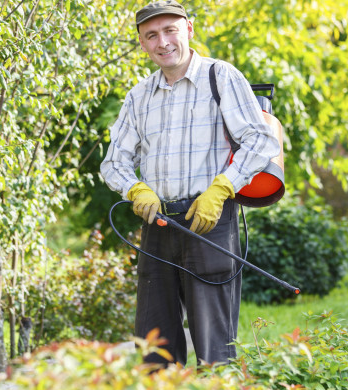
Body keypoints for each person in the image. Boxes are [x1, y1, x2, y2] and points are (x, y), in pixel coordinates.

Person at [99, 0, 280, 366]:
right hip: (157, 225)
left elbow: (262, 141)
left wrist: (222, 188)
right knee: (154, 349)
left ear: (189, 30)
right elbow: (114, 162)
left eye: (170, 31)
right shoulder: (138, 97)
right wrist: (136, 189)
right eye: (151, 35)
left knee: (215, 351)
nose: (162, 42)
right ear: (142, 43)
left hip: (208, 224)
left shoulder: (222, 77)